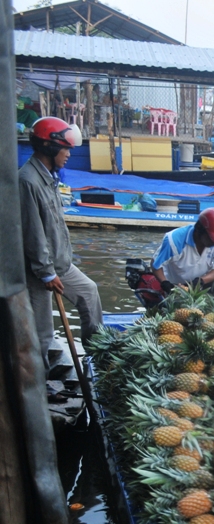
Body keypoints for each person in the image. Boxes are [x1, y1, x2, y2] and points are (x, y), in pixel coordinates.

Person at [20, 117, 103, 375]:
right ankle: (40, 388)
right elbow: (33, 234)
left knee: (89, 292)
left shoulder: (50, 177)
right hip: (39, 271)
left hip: (60, 264)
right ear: (50, 147)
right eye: (66, 149)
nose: (68, 154)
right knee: (43, 332)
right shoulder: (28, 181)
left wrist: (57, 267)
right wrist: (46, 273)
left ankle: (97, 353)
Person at [152, 208, 214, 299]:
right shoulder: (173, 240)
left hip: (203, 281)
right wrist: (164, 283)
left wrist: (201, 281)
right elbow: (156, 265)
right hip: (177, 285)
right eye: (212, 238)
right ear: (199, 230)